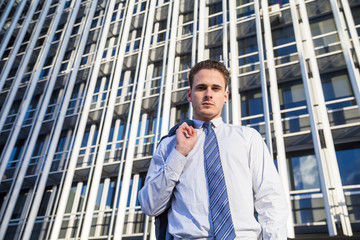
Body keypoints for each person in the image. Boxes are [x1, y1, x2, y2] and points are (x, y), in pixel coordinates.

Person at [138, 59, 289, 239]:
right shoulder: (169, 145)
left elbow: (270, 199)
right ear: (189, 94)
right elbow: (150, 206)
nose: (208, 94)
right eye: (201, 87)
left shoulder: (249, 138)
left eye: (215, 88)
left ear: (225, 96)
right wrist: (179, 153)